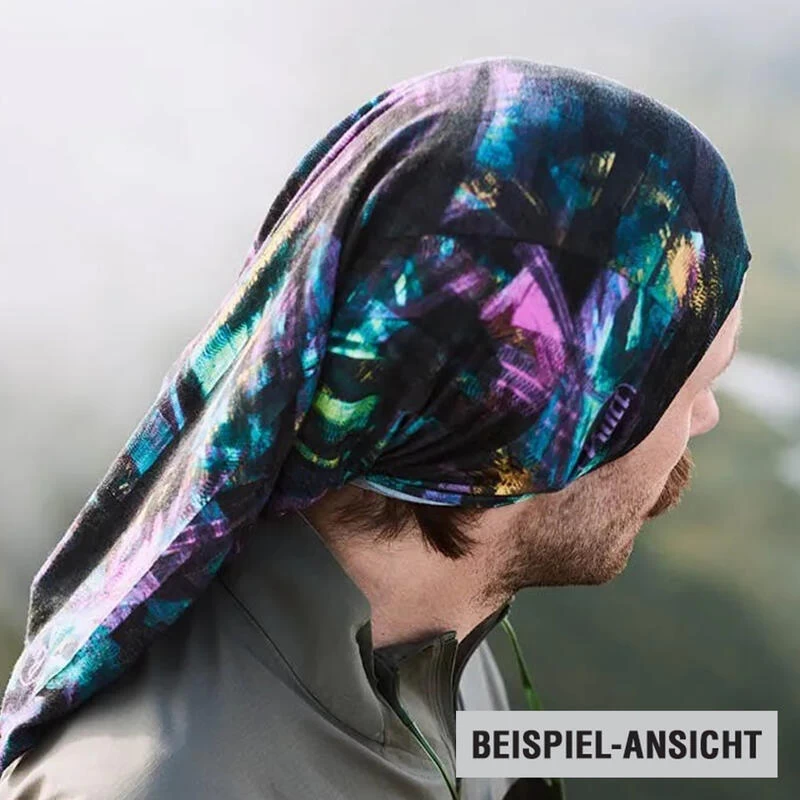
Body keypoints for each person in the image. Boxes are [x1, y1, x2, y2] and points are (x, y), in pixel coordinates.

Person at [0, 57, 750, 799]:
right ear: (527, 430)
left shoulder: (442, 638)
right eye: (694, 387)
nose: (706, 417)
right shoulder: (155, 786)